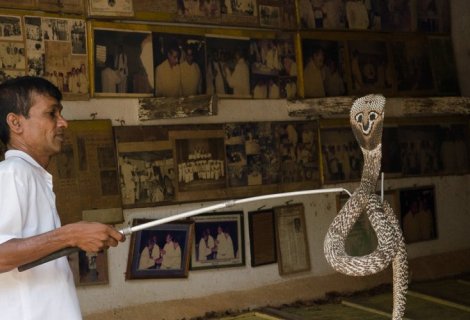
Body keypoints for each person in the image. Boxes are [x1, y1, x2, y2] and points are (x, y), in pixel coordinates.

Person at [0, 76, 125, 319]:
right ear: (15, 122)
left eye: (61, 113)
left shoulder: (33, 175)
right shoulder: (12, 173)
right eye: (51, 114)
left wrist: (73, 237)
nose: (63, 123)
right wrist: (71, 235)